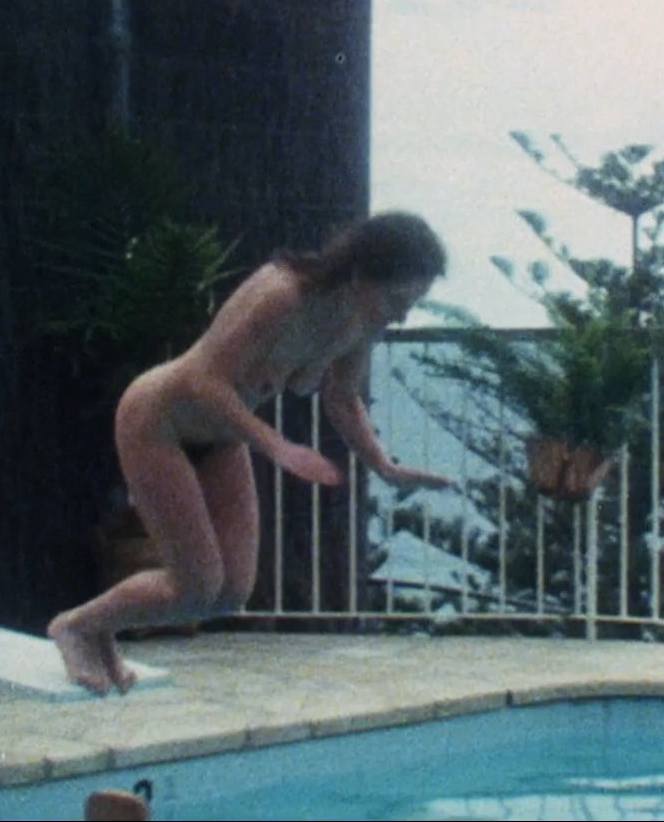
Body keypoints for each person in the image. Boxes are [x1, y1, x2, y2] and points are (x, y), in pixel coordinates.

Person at [49, 211, 452, 695]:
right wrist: (275, 445)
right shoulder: (282, 291)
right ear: (362, 273)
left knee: (229, 593)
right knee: (196, 583)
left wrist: (384, 466)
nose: (402, 315)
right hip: (158, 422)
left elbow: (343, 398)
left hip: (221, 435)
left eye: (411, 304)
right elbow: (203, 379)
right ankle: (74, 626)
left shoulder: (360, 323)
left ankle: (102, 629)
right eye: (397, 300)